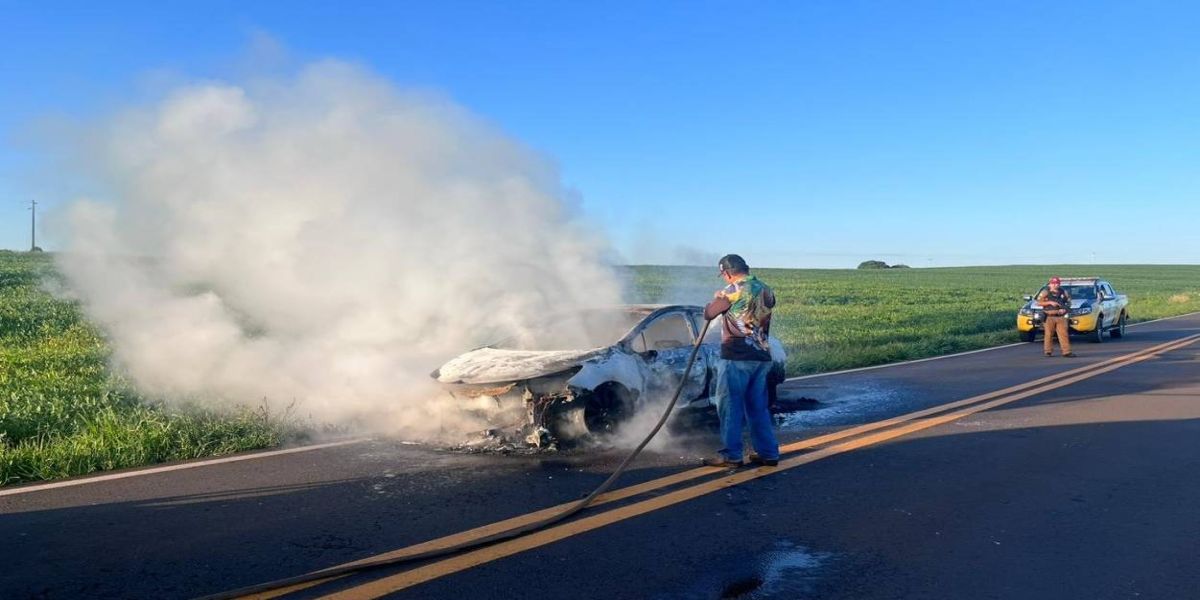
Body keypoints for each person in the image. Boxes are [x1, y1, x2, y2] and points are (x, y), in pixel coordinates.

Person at [701, 254, 781, 467]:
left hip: (736, 355)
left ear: (727, 273)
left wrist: (718, 297)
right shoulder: (766, 289)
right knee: (757, 407)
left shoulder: (732, 290)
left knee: (729, 405)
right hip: (761, 355)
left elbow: (709, 313)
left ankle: (732, 454)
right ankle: (768, 453)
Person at [1038, 276, 1075, 358]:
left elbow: (1069, 303)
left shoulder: (1063, 292)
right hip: (1049, 316)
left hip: (1061, 316)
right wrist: (1050, 302)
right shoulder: (1045, 292)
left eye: (1057, 283)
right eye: (1053, 283)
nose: (1055, 285)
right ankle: (1048, 351)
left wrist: (1064, 310)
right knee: (1048, 334)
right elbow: (1039, 303)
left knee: (1063, 334)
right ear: (1050, 284)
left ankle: (1066, 352)